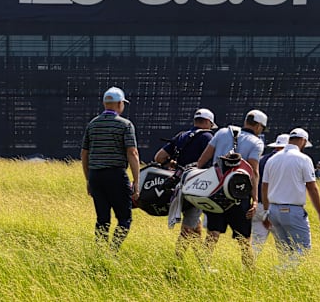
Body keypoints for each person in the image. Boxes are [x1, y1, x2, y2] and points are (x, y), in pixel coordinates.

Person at [196, 109, 267, 269]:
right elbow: (254, 172)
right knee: (244, 239)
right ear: (257, 126)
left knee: (213, 233)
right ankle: (249, 271)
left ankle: (203, 267)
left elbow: (203, 159)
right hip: (238, 195)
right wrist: (255, 199)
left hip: (215, 192)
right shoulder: (256, 143)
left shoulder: (222, 132)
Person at [81, 86, 140, 253]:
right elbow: (132, 152)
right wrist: (136, 181)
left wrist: (88, 179)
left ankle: (100, 252)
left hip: (95, 176)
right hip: (116, 175)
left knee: (102, 219)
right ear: (120, 103)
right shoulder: (125, 125)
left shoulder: (92, 124)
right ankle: (113, 252)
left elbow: (84, 154)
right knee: (124, 218)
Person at [154, 108, 216, 259]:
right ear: (208, 122)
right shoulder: (208, 137)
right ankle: (176, 263)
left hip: (179, 185)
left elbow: (159, 157)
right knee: (188, 227)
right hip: (198, 186)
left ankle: (201, 261)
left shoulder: (181, 136)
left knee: (195, 223)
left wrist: (174, 164)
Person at [261, 128, 320, 269]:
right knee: (303, 250)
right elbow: (312, 188)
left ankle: (283, 276)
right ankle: (280, 272)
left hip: (273, 210)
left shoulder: (273, 159)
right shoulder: (303, 159)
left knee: (284, 251)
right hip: (292, 210)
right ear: (303, 141)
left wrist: (266, 212)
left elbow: (264, 187)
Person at [251, 133, 289, 258]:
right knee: (284, 246)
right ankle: (284, 273)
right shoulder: (285, 161)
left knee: (255, 244)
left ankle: (247, 270)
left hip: (260, 206)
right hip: (278, 207)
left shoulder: (262, 159)